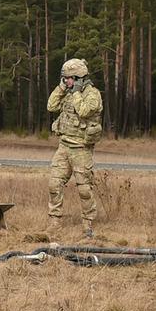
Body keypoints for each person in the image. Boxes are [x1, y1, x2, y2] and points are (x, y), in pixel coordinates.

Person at [46, 58, 103, 237]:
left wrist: (77, 93)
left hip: (81, 148)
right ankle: (55, 222)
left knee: (84, 188)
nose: (66, 81)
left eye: (68, 78)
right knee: (54, 184)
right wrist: (62, 88)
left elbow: (85, 111)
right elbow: (51, 106)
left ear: (78, 78)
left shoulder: (92, 94)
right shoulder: (68, 91)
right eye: (64, 78)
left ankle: (87, 224)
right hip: (64, 146)